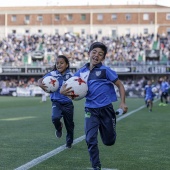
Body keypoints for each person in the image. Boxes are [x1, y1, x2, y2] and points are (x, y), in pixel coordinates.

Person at [60, 42, 128, 170]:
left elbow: (120, 85)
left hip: (106, 109)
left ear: (103, 58)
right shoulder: (81, 72)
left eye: (100, 54)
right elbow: (68, 86)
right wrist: (62, 92)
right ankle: (96, 166)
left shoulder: (105, 70)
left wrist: (122, 102)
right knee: (90, 139)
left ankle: (111, 120)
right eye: (94, 52)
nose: (97, 55)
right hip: (90, 110)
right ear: (89, 53)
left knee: (109, 141)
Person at [38, 55, 74, 148]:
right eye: (57, 63)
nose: (59, 65)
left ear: (66, 65)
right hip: (56, 102)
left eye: (61, 63)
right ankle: (59, 128)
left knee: (69, 125)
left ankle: (69, 142)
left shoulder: (71, 76)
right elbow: (41, 79)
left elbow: (77, 86)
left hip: (68, 103)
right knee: (55, 118)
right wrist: (39, 83)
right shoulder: (52, 74)